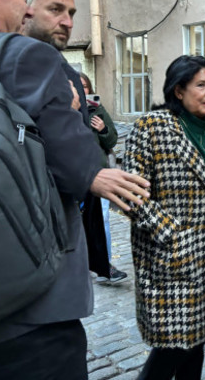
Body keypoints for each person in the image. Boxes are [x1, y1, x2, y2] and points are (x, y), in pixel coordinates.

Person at [0, 0, 149, 380]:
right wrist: (95, 170)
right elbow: (67, 148)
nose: (65, 21)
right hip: (26, 307)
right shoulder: (26, 56)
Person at [123, 55, 205, 380]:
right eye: (200, 85)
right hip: (169, 261)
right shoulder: (152, 126)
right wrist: (173, 235)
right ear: (179, 90)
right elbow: (131, 193)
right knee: (170, 349)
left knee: (195, 345)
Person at [21, 0, 114, 281]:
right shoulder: (11, 62)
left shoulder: (61, 67)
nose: (68, 21)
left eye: (71, 13)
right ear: (24, 7)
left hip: (67, 219)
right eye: (56, 9)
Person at [80, 71, 128, 283]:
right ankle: (83, 264)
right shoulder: (63, 110)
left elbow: (111, 141)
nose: (82, 90)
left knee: (103, 219)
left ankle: (104, 264)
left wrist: (103, 129)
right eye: (77, 86)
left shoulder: (97, 109)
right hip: (75, 173)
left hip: (99, 172)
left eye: (85, 86)